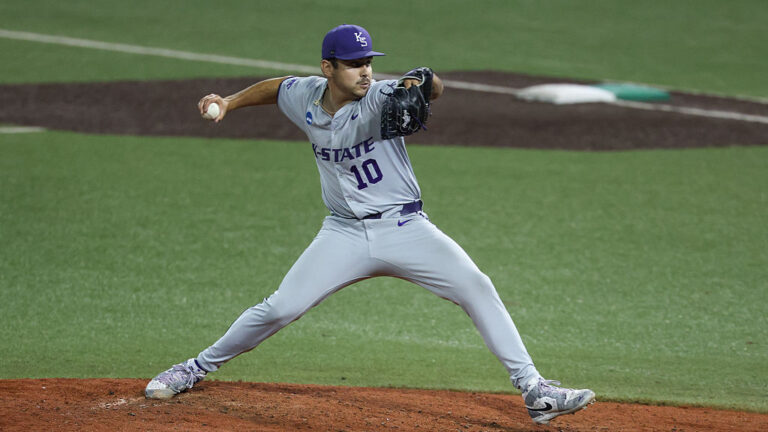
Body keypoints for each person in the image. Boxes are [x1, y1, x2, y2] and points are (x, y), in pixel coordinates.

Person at [145, 24, 595, 425]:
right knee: (281, 307)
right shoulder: (305, 95)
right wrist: (229, 102)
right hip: (342, 233)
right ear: (328, 68)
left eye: (368, 62)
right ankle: (193, 368)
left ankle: (534, 390)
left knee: (476, 286)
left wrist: (423, 78)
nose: (365, 71)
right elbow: (277, 87)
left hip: (406, 229)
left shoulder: (380, 96)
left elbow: (431, 88)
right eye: (354, 64)